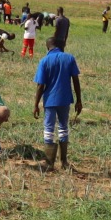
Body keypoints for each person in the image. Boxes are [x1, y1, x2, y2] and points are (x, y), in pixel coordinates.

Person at [33, 39, 83, 171]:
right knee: (63, 128)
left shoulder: (44, 61)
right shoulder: (69, 58)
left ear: (47, 47)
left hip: (50, 100)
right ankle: (64, 162)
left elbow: (40, 86)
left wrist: (36, 104)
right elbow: (76, 81)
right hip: (65, 99)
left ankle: (49, 163)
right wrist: (79, 100)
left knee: (49, 129)